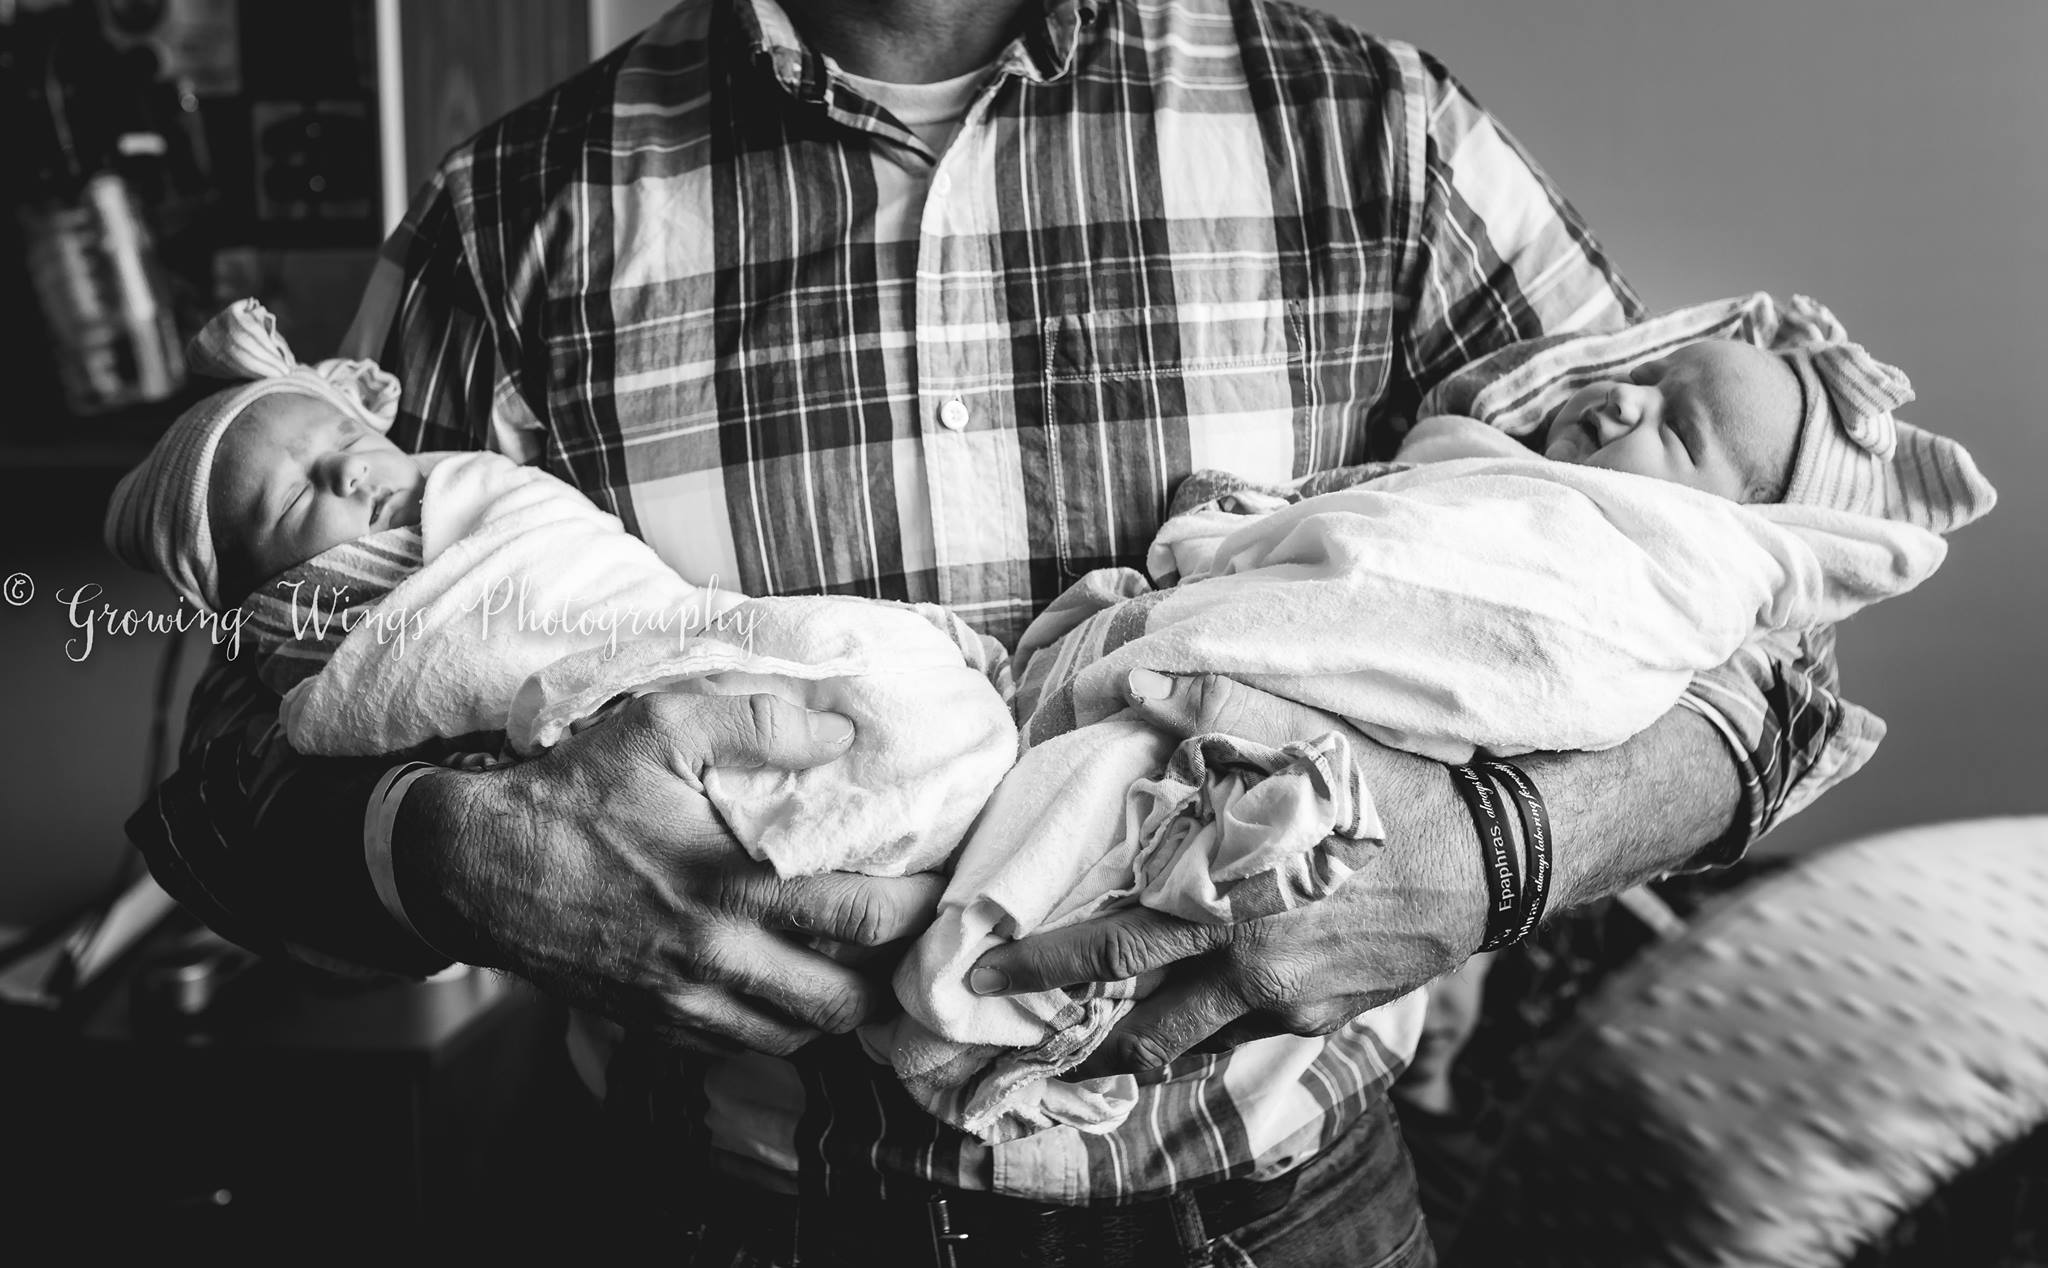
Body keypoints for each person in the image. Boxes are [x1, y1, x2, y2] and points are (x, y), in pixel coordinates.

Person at [121, 2, 1881, 1263]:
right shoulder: (512, 222)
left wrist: (1489, 849)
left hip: (1286, 1212)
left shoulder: (1384, 140)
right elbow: (218, 779)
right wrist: (450, 851)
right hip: (721, 1212)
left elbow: (1760, 635)